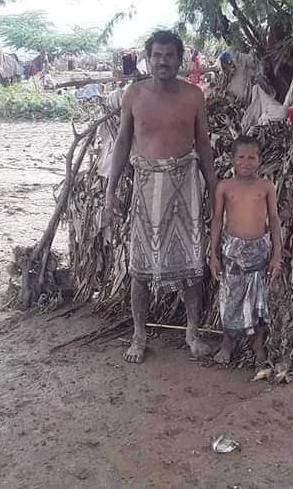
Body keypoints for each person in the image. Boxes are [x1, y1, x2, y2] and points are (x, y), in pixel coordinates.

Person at [104, 31, 217, 363]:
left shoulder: (194, 95)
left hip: (186, 184)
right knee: (139, 267)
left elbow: (203, 144)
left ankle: (192, 332)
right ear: (147, 58)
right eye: (156, 55)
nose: (162, 61)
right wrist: (111, 190)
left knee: (192, 265)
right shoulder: (134, 94)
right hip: (147, 185)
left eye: (169, 55)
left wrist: (214, 190)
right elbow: (122, 142)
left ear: (179, 59)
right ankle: (139, 336)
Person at [209, 136, 282, 365]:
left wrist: (277, 254)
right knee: (230, 298)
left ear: (259, 160)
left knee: (260, 299)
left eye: (252, 157)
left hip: (260, 250)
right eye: (241, 157)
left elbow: (274, 219)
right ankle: (227, 343)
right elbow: (217, 220)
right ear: (233, 159)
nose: (246, 162)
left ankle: (257, 344)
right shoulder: (225, 186)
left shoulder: (266, 186)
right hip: (233, 251)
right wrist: (213, 255)